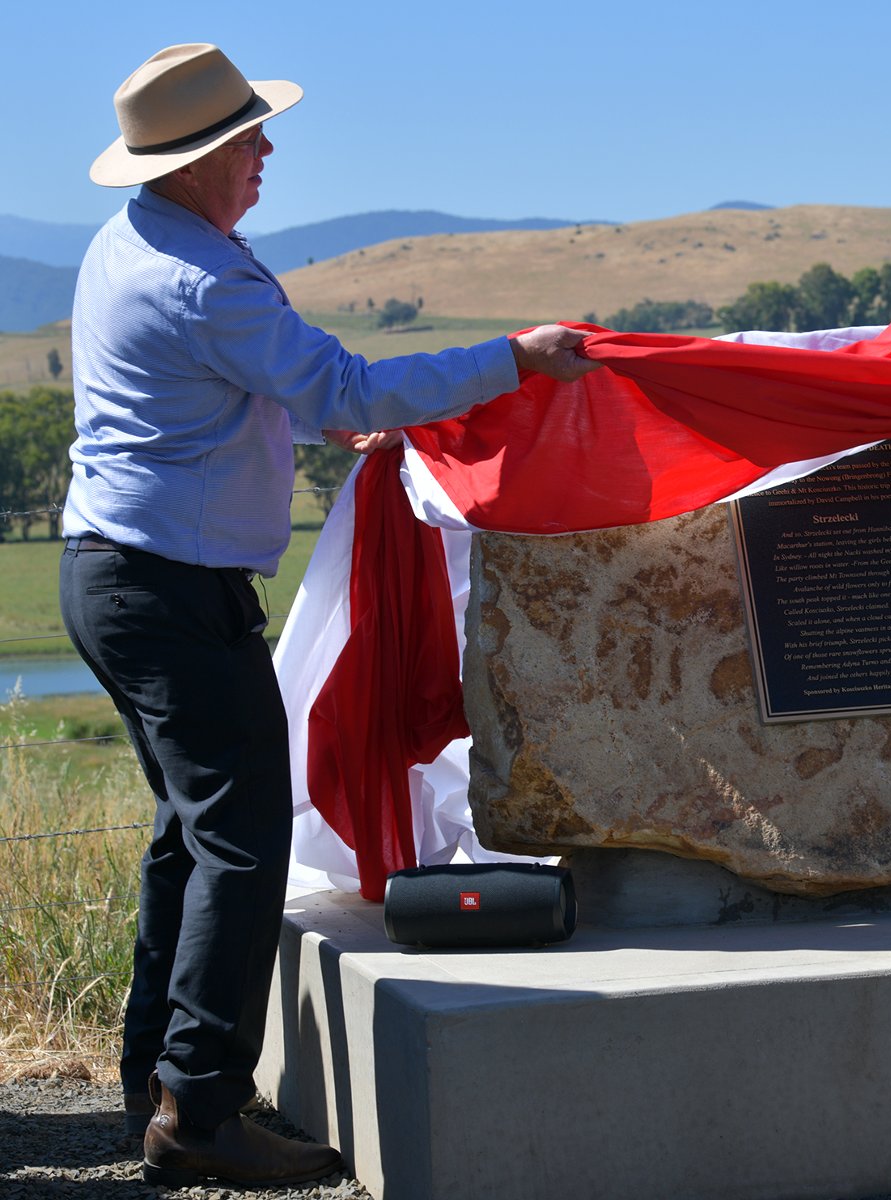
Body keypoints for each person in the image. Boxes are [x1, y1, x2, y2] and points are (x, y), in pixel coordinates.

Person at [60, 43, 601, 1187]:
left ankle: (154, 1083)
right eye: (247, 138)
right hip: (168, 588)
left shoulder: (134, 248)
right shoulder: (209, 278)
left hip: (118, 576)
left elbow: (219, 402)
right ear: (199, 161)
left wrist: (322, 421)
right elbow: (343, 385)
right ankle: (199, 1112)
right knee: (245, 838)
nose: (266, 152)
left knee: (190, 837)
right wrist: (515, 358)